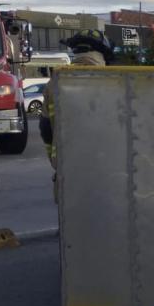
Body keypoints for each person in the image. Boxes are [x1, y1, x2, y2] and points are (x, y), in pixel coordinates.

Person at [41, 29, 113, 202]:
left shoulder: (55, 82)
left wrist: (55, 159)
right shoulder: (113, 80)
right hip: (108, 170)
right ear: (102, 52)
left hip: (68, 167)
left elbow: (45, 129)